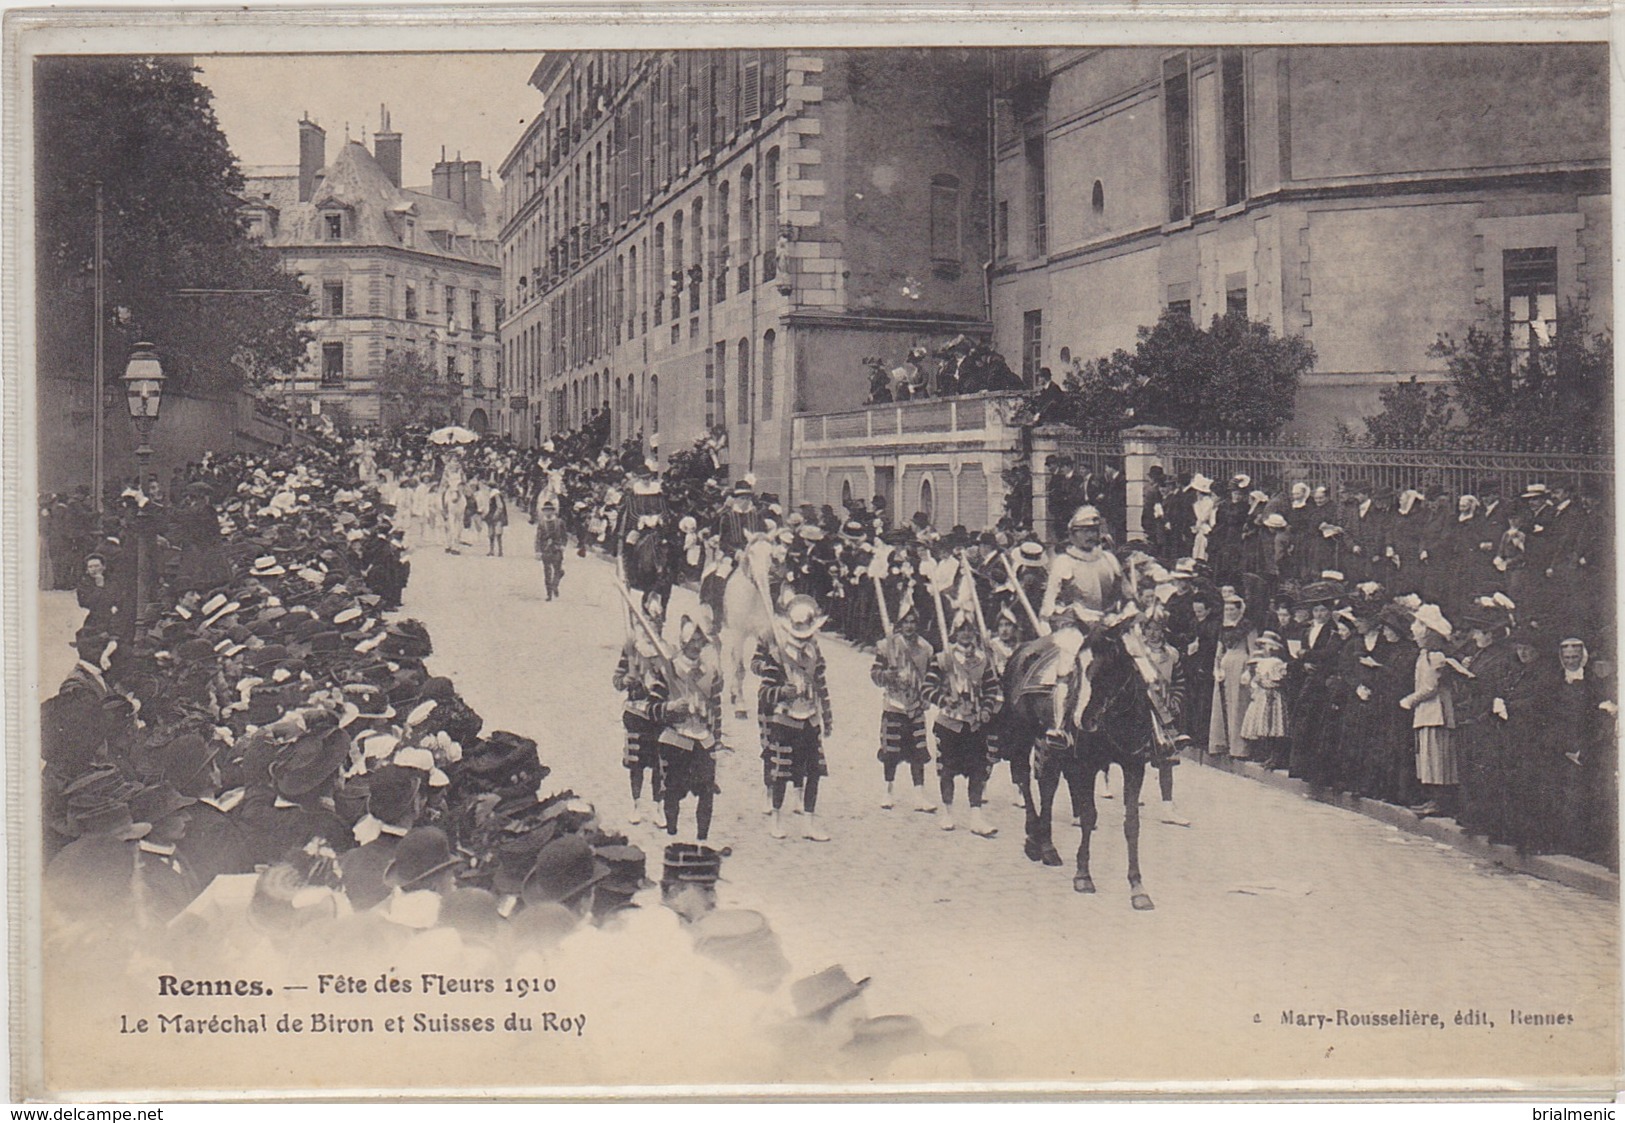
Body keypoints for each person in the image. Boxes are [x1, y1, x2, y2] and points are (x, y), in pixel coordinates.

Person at [753, 596, 835, 841]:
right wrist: (781, 692)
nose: (803, 639)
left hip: (810, 718)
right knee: (781, 772)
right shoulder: (778, 655)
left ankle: (809, 822)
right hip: (785, 721)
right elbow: (764, 692)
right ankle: (776, 818)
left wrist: (827, 716)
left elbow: (821, 685)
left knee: (814, 772)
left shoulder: (814, 652)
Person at [923, 615, 1003, 836]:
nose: (966, 633)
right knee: (948, 768)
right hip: (949, 723)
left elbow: (991, 689)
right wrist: (943, 699)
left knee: (978, 769)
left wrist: (987, 709)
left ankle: (976, 816)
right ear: (954, 633)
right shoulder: (944, 659)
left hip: (975, 724)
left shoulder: (983, 660)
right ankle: (948, 812)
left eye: (970, 629)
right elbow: (927, 688)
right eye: (961, 629)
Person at [657, 616, 724, 844]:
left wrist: (718, 737)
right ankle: (671, 835)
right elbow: (653, 706)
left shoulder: (709, 671)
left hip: (703, 738)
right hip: (677, 737)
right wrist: (671, 707)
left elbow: (716, 705)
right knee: (673, 789)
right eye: (693, 640)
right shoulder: (669, 668)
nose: (697, 645)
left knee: (706, 788)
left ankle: (702, 839)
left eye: (700, 640)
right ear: (684, 642)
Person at [869, 600, 937, 813]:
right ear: (899, 624)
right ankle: (887, 790)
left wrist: (927, 696)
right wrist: (886, 675)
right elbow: (874, 674)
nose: (909, 626)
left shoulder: (926, 649)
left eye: (913, 622)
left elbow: (932, 678)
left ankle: (919, 794)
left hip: (915, 706)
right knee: (891, 751)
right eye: (905, 622)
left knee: (918, 751)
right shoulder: (887, 645)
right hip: (894, 705)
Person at [1400, 604, 1459, 818]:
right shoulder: (1424, 655)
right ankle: (1433, 799)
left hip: (1437, 714)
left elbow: (1430, 687)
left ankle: (1440, 802)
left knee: (1438, 759)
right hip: (1426, 713)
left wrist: (1409, 700)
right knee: (1428, 759)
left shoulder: (1435, 656)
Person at [612, 623, 668, 826]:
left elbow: (674, 681)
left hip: (657, 715)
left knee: (659, 764)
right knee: (636, 763)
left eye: (657, 621)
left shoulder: (665, 651)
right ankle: (635, 805)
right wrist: (627, 679)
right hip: (635, 715)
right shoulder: (631, 651)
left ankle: (658, 808)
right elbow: (616, 680)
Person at [1039, 505, 1130, 622]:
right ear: (1073, 534)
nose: (1090, 536)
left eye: (1094, 531)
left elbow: (1127, 594)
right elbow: (1049, 603)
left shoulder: (1109, 559)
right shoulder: (1063, 562)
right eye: (1085, 531)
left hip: (1110, 624)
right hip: (1077, 627)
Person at [1208, 593, 1256, 760]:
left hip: (1240, 664)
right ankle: (1222, 743)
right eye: (1226, 608)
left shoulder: (1247, 626)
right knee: (1222, 705)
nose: (1228, 612)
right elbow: (1218, 651)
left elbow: (1253, 650)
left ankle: (1239, 748)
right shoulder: (1224, 627)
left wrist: (1249, 670)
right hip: (1225, 666)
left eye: (1231, 609)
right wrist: (1216, 668)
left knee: (1238, 705)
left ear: (1239, 610)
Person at [1240, 631, 1291, 768]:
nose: (1264, 649)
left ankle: (1275, 757)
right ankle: (1266, 755)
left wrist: (1266, 683)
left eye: (1267, 646)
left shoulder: (1277, 662)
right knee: (1265, 726)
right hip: (1263, 695)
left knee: (1274, 725)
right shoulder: (1262, 662)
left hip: (1273, 696)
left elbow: (1278, 680)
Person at [534, 497, 568, 600]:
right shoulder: (541, 523)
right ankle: (549, 593)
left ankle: (555, 585)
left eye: (549, 510)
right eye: (545, 510)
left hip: (557, 549)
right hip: (546, 550)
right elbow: (538, 538)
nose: (547, 512)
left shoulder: (560, 522)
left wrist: (563, 545)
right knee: (547, 572)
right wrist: (538, 551)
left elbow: (564, 536)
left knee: (557, 570)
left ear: (553, 511)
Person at [484, 488, 509, 557]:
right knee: (495, 534)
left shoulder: (495, 495)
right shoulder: (497, 495)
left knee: (495, 534)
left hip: (496, 517)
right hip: (495, 516)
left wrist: (495, 515)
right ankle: (498, 551)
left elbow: (500, 507)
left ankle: (495, 550)